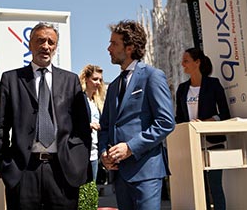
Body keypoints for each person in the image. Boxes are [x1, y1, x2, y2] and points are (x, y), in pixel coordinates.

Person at [0, 22, 91, 210]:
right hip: (23, 171)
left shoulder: (70, 81)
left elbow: (82, 128)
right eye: (40, 41)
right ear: (30, 44)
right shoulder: (11, 79)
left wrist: (78, 162)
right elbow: (1, 128)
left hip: (62, 171)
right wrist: (6, 167)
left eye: (51, 42)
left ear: (55, 47)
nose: (46, 46)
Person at [99, 20, 175, 210]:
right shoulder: (114, 85)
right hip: (119, 174)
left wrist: (131, 147)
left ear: (130, 47)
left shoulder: (152, 76)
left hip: (146, 171)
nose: (108, 48)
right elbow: (106, 126)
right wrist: (103, 153)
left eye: (114, 43)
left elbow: (165, 122)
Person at [175, 47, 231, 210]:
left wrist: (206, 122)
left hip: (213, 142)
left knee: (215, 187)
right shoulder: (182, 89)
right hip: (192, 145)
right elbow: (180, 118)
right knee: (198, 189)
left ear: (197, 62)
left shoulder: (213, 84)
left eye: (186, 60)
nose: (182, 64)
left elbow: (225, 113)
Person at [79, 64, 106, 181]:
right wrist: (88, 125)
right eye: (95, 79)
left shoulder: (97, 103)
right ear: (86, 79)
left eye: (100, 80)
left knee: (91, 192)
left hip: (94, 154)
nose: (98, 83)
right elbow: (69, 122)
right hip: (81, 152)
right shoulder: (79, 98)